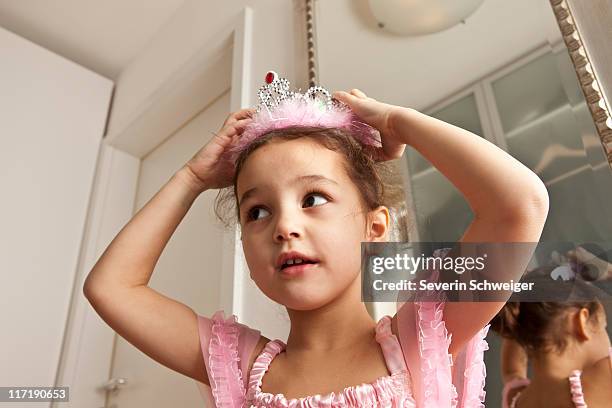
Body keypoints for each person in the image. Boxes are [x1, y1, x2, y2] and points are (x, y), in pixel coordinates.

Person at [83, 71, 550, 407]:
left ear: (375, 227)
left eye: (313, 198)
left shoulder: (420, 336)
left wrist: (396, 121)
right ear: (245, 245)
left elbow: (518, 204)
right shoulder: (240, 367)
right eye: (257, 211)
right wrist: (190, 177)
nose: (284, 226)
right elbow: (111, 288)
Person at [491, 300, 612, 407]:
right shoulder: (600, 382)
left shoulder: (515, 398)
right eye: (603, 327)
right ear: (582, 321)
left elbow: (512, 371)